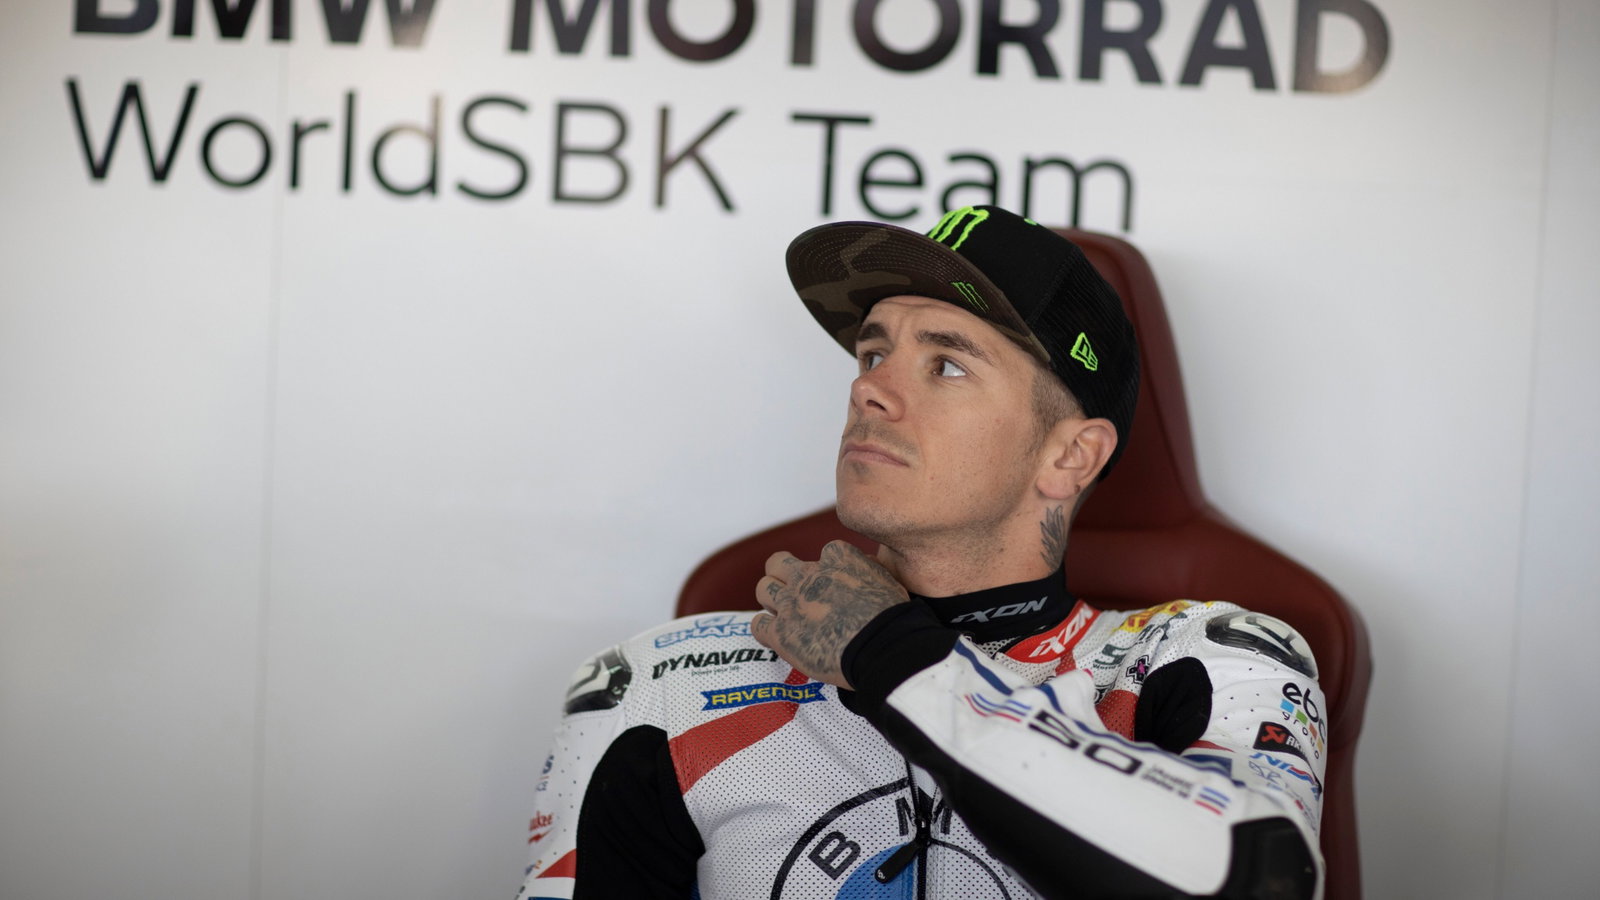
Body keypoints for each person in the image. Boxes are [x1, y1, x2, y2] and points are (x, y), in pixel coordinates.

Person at [516, 206, 1329, 900]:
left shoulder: (1207, 657)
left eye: (946, 364)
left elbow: (1263, 875)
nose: (868, 389)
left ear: (1070, 455)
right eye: (874, 353)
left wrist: (889, 653)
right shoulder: (661, 682)